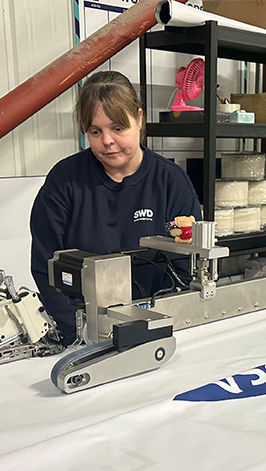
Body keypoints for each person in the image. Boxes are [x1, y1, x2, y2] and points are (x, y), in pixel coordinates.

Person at [30, 70, 202, 343]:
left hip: (157, 327)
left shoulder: (170, 181)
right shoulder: (64, 181)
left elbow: (187, 268)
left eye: (118, 128)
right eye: (95, 131)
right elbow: (45, 267)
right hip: (83, 332)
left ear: (139, 119)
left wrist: (163, 324)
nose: (107, 141)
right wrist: (82, 334)